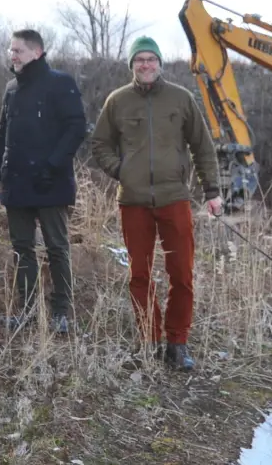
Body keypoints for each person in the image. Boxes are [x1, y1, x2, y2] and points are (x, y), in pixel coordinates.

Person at [89, 36, 223, 371]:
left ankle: (177, 343)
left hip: (173, 198)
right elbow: (100, 143)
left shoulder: (181, 98)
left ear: (160, 63)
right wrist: (121, 171)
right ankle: (149, 340)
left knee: (182, 274)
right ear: (132, 65)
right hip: (133, 201)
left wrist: (213, 191)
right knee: (139, 274)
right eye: (139, 60)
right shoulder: (117, 101)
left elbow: (202, 147)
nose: (145, 65)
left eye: (151, 59)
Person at [0, 29, 86, 334]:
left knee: (57, 247)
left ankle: (60, 314)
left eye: (18, 50)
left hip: (50, 183)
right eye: (10, 50)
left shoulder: (61, 83)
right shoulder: (11, 88)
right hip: (16, 183)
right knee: (22, 248)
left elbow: (77, 128)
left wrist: (52, 166)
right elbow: (3, 136)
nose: (12, 55)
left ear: (37, 53)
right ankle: (27, 311)